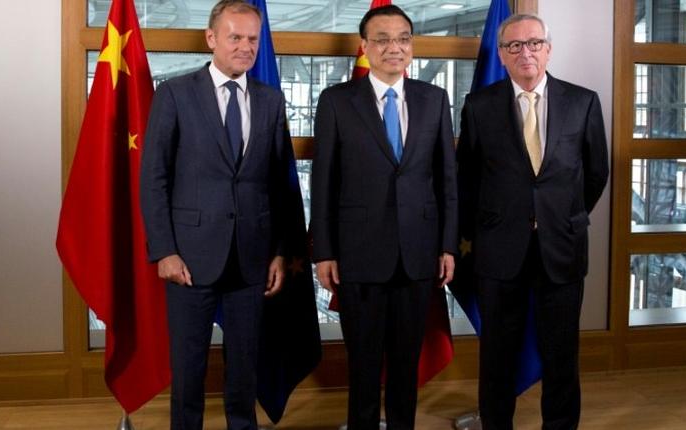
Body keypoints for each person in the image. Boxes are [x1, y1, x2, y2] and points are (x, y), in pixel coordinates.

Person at [140, 1, 293, 428]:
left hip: (252, 256)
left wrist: (281, 251)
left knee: (244, 366)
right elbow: (154, 179)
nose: (245, 47)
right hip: (189, 257)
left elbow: (280, 184)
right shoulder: (174, 94)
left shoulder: (270, 100)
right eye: (235, 37)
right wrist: (164, 251)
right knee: (189, 368)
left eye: (252, 39)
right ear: (212, 39)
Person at [457, 13, 609, 430]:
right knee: (497, 355)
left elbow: (596, 173)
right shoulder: (479, 106)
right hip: (498, 251)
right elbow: (467, 178)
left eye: (534, 43)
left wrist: (560, 218)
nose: (526, 52)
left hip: (561, 248)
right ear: (502, 56)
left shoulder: (583, 101)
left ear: (548, 48)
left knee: (562, 354)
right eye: (514, 46)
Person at [310, 5, 458, 429]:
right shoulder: (337, 101)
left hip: (418, 254)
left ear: (411, 45)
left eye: (403, 39)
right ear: (365, 47)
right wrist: (324, 252)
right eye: (383, 39)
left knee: (406, 364)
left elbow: (446, 180)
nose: (394, 47)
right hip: (358, 254)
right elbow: (323, 183)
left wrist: (447, 244)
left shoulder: (434, 99)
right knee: (363, 365)